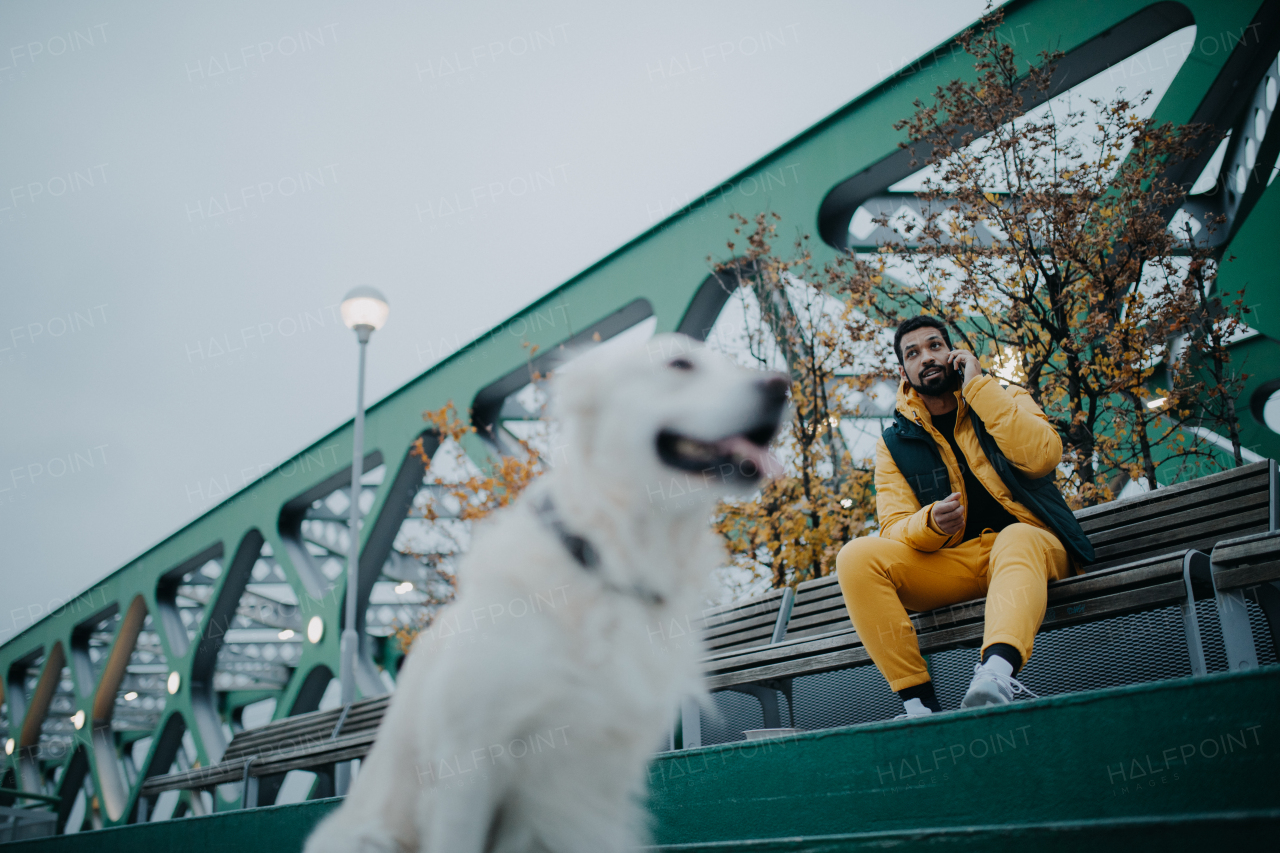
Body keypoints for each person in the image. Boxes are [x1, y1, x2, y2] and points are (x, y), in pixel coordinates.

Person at [835, 315, 1094, 717]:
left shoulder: (1005, 397)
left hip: (1031, 548)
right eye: (913, 353)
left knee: (1016, 535)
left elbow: (1043, 456)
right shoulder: (893, 443)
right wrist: (930, 524)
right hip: (956, 563)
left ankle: (995, 673)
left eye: (935, 345)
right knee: (855, 557)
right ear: (903, 372)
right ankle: (919, 705)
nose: (927, 357)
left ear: (954, 353)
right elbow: (892, 528)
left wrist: (977, 387)